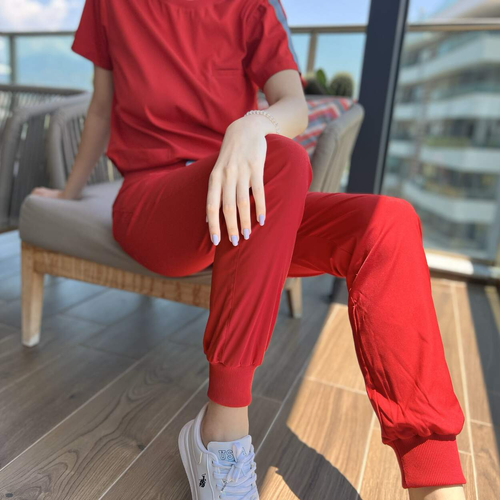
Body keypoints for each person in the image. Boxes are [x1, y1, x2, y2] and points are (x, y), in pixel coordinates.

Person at [32, 0, 468, 498]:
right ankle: (221, 432)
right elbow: (101, 106)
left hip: (244, 194)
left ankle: (434, 476)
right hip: (156, 199)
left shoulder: (252, 6)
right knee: (282, 162)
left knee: (389, 222)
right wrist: (69, 192)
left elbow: (294, 105)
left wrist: (252, 125)